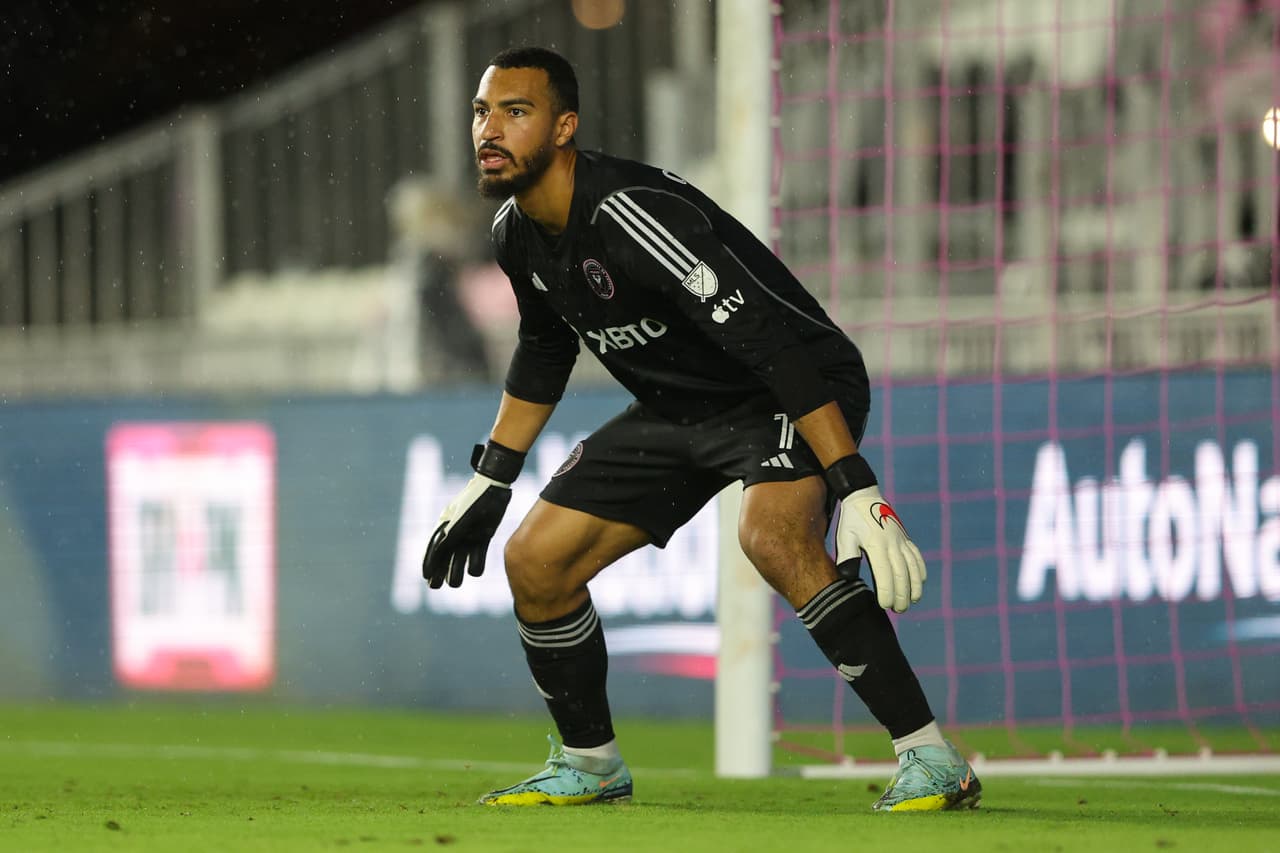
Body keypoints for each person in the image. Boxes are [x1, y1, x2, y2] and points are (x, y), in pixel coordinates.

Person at [422, 46, 982, 812]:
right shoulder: (515, 231)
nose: (489, 129)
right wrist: (493, 475)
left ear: (564, 127)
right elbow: (545, 346)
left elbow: (773, 346)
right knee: (536, 561)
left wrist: (855, 484)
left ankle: (933, 758)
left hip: (781, 387)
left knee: (773, 537)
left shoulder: (633, 215)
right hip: (679, 408)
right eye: (483, 112)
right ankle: (591, 764)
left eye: (514, 112)